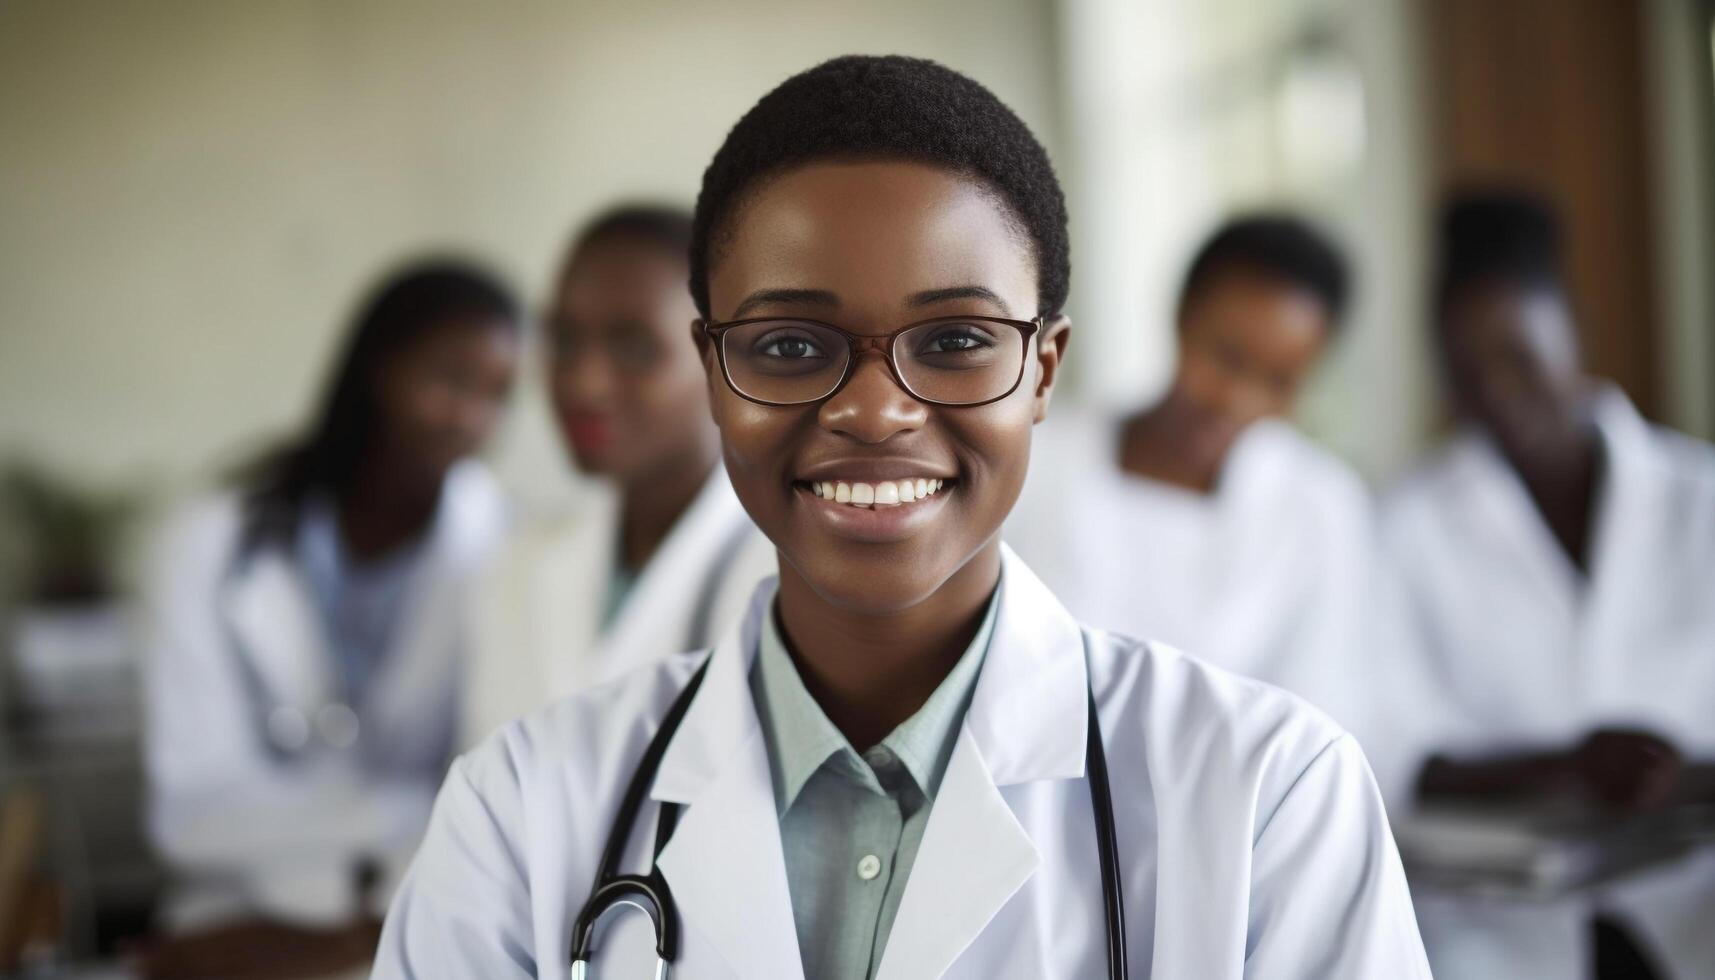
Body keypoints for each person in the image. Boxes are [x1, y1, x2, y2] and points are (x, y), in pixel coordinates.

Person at [373, 56, 1429, 978]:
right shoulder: (519, 810)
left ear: (1043, 369)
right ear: (713, 368)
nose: (873, 408)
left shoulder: (1273, 799)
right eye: (789, 344)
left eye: (956, 340)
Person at [140, 260, 521, 966]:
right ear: (379, 368)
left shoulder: (503, 549)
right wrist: (396, 823)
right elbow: (189, 813)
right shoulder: (210, 542)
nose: (471, 417)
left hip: (426, 915)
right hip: (238, 921)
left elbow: (500, 795)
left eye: (497, 394)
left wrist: (366, 911)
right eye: (448, 379)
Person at [1382, 190, 1715, 980]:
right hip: (1503, 936)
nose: (1496, 395)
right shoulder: (1407, 526)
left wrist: (1678, 776)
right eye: (1466, 376)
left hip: (1696, 906)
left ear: (1574, 334)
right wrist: (1566, 767)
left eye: (1520, 358)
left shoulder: (1698, 498)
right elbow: (1396, 753)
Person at [1006, 216, 1379, 725]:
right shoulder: (1041, 457)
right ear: (1182, 316)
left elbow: (1320, 708)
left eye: (1278, 381)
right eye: (1225, 357)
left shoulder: (1320, 505)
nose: (1235, 400)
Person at [461, 206, 773, 746]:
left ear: (722, 360)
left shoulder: (783, 574)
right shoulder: (520, 561)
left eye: (634, 347)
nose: (585, 384)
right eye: (564, 341)